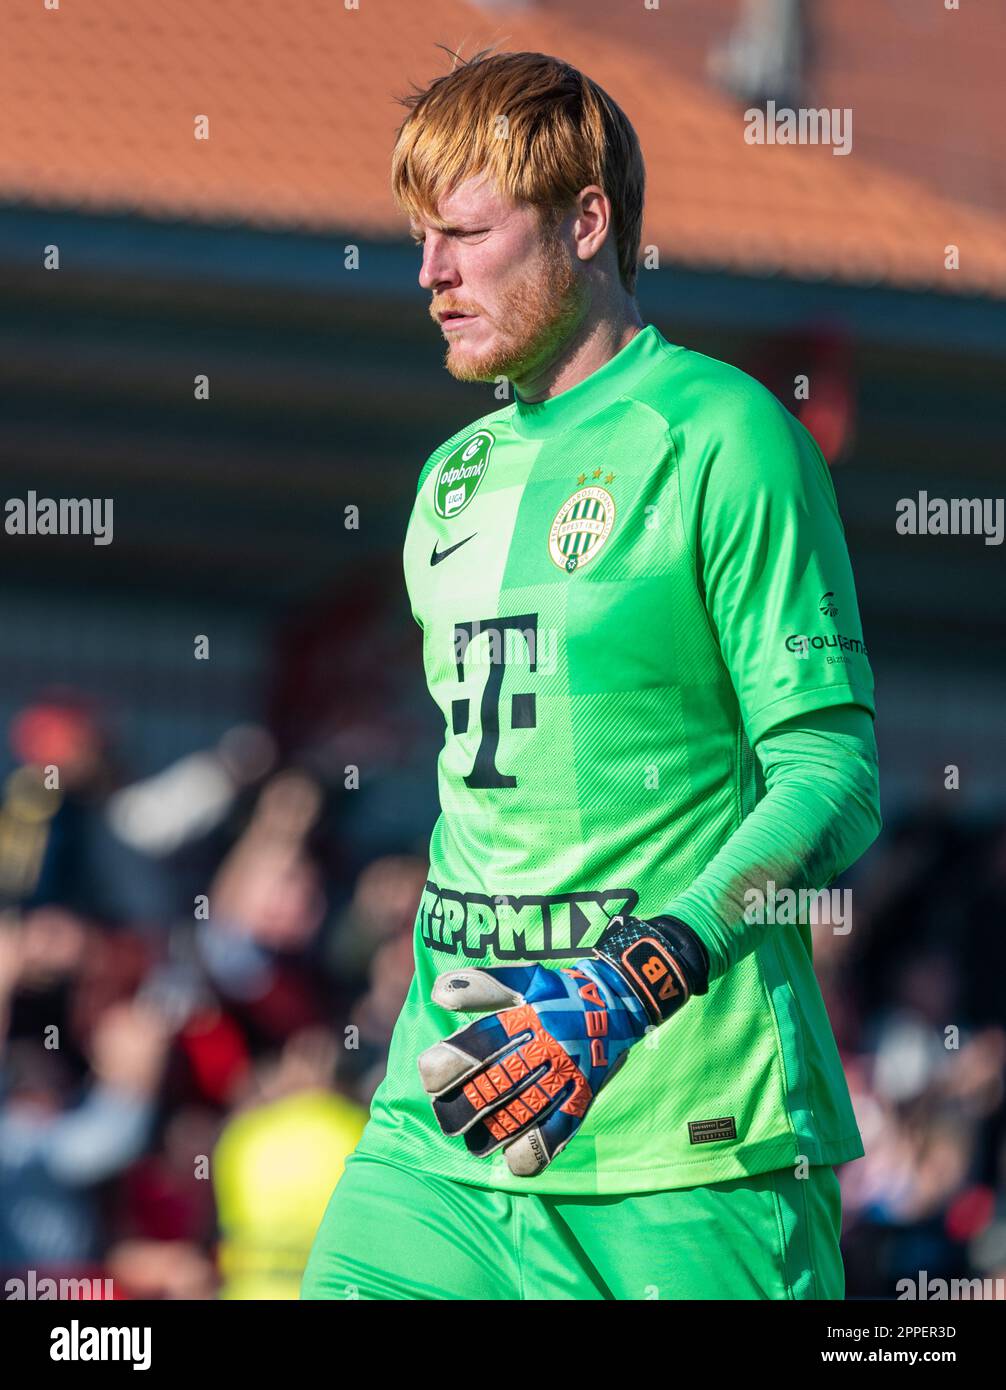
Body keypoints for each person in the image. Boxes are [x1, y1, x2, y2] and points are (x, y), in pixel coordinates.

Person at [302, 48, 881, 1301]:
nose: (430, 276)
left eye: (463, 233)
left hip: (687, 1144)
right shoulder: (446, 483)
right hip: (447, 1125)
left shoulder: (725, 435)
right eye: (419, 239)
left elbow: (833, 777)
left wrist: (633, 979)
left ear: (586, 220)